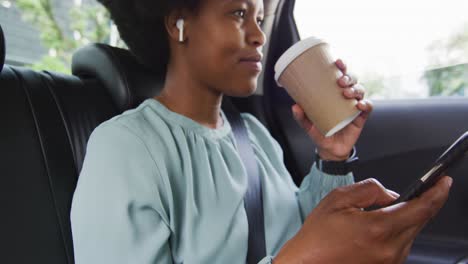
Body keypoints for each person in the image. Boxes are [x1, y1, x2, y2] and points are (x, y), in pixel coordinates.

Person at [70, 0, 452, 263]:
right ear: (178, 24)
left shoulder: (252, 133)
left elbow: (303, 230)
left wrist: (333, 158)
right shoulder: (125, 149)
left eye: (261, 15)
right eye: (238, 13)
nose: (259, 35)